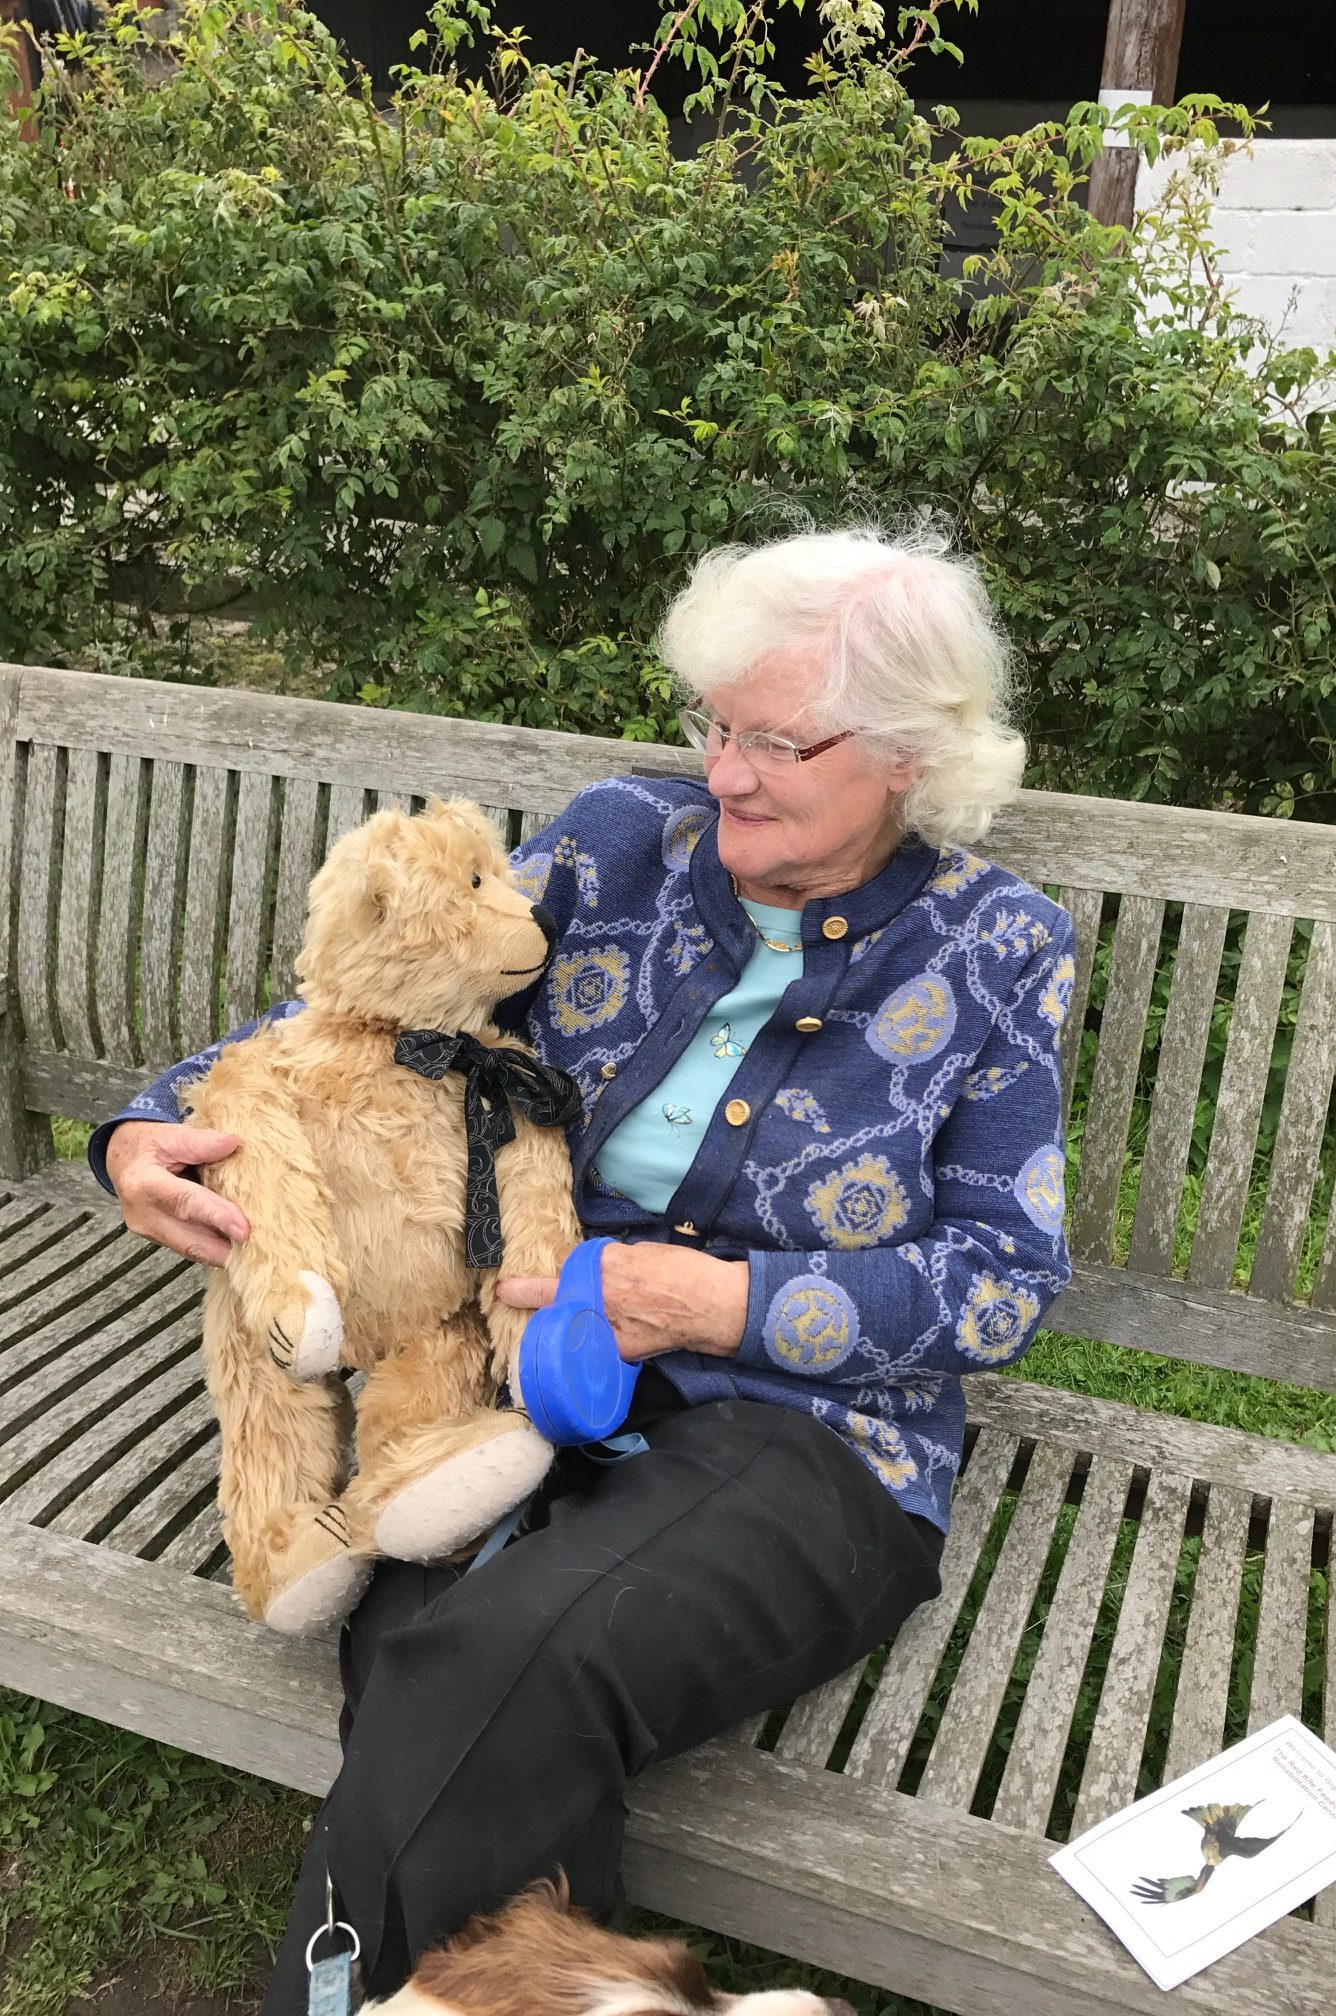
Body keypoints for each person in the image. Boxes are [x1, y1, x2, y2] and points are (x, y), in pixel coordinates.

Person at [92, 525, 1075, 2012]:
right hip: (492, 1374)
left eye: (775, 740)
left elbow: (1004, 1277)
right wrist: (153, 1128)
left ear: (905, 756)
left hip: (809, 1439)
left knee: (495, 1658)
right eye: (715, 726)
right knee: (431, 1652)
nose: (726, 771)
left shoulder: (997, 946)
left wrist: (711, 1301)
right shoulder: (623, 842)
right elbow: (369, 1005)